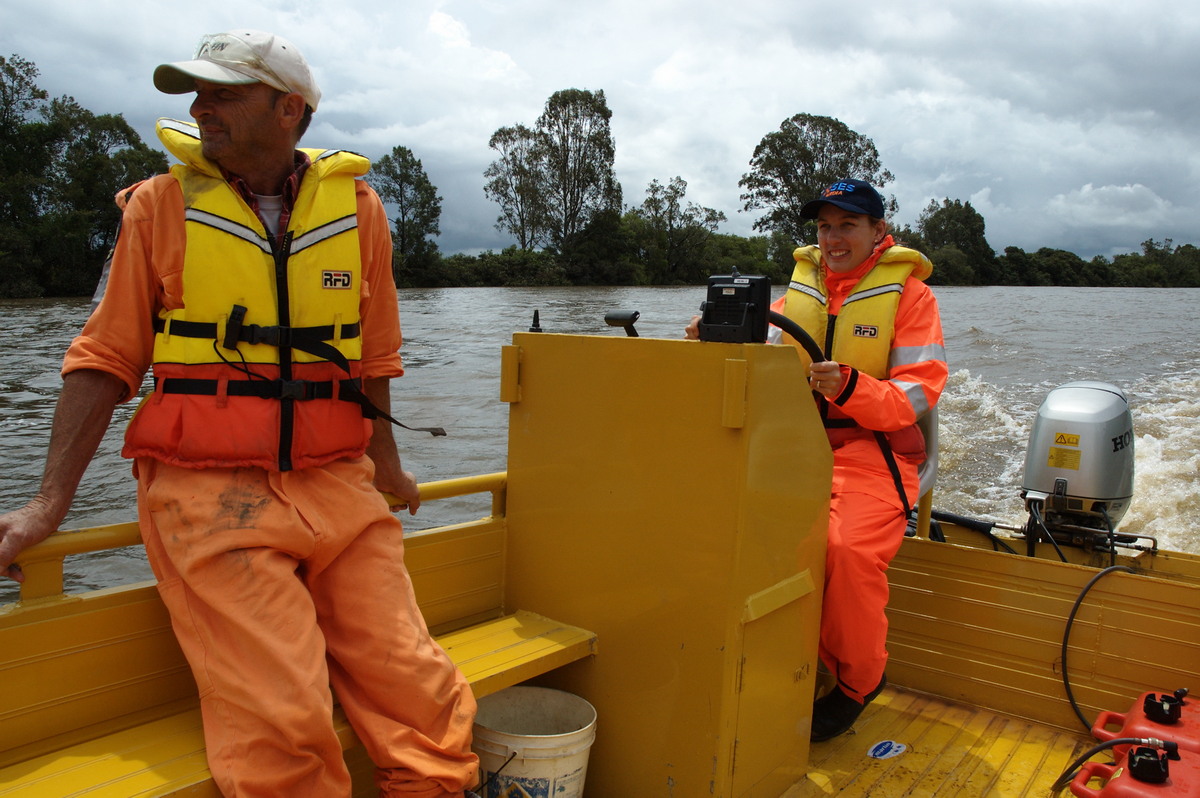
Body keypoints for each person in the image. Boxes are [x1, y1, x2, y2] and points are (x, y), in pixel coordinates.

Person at [0, 30, 479, 797]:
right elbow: (103, 360)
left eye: (222, 93)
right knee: (285, 728)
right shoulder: (159, 207)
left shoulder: (359, 210)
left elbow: (375, 357)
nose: (199, 109)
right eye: (197, 95)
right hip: (209, 495)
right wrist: (47, 502)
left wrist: (387, 466)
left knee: (425, 698)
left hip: (338, 484)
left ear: (288, 110)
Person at [687, 178, 947, 742]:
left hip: (874, 451)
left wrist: (852, 387)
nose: (833, 238)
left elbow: (920, 393)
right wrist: (713, 337)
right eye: (825, 226)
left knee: (845, 550)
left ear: (878, 231)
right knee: (709, 521)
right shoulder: (794, 294)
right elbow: (757, 353)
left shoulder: (912, 297)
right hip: (792, 446)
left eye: (847, 225)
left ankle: (857, 682)